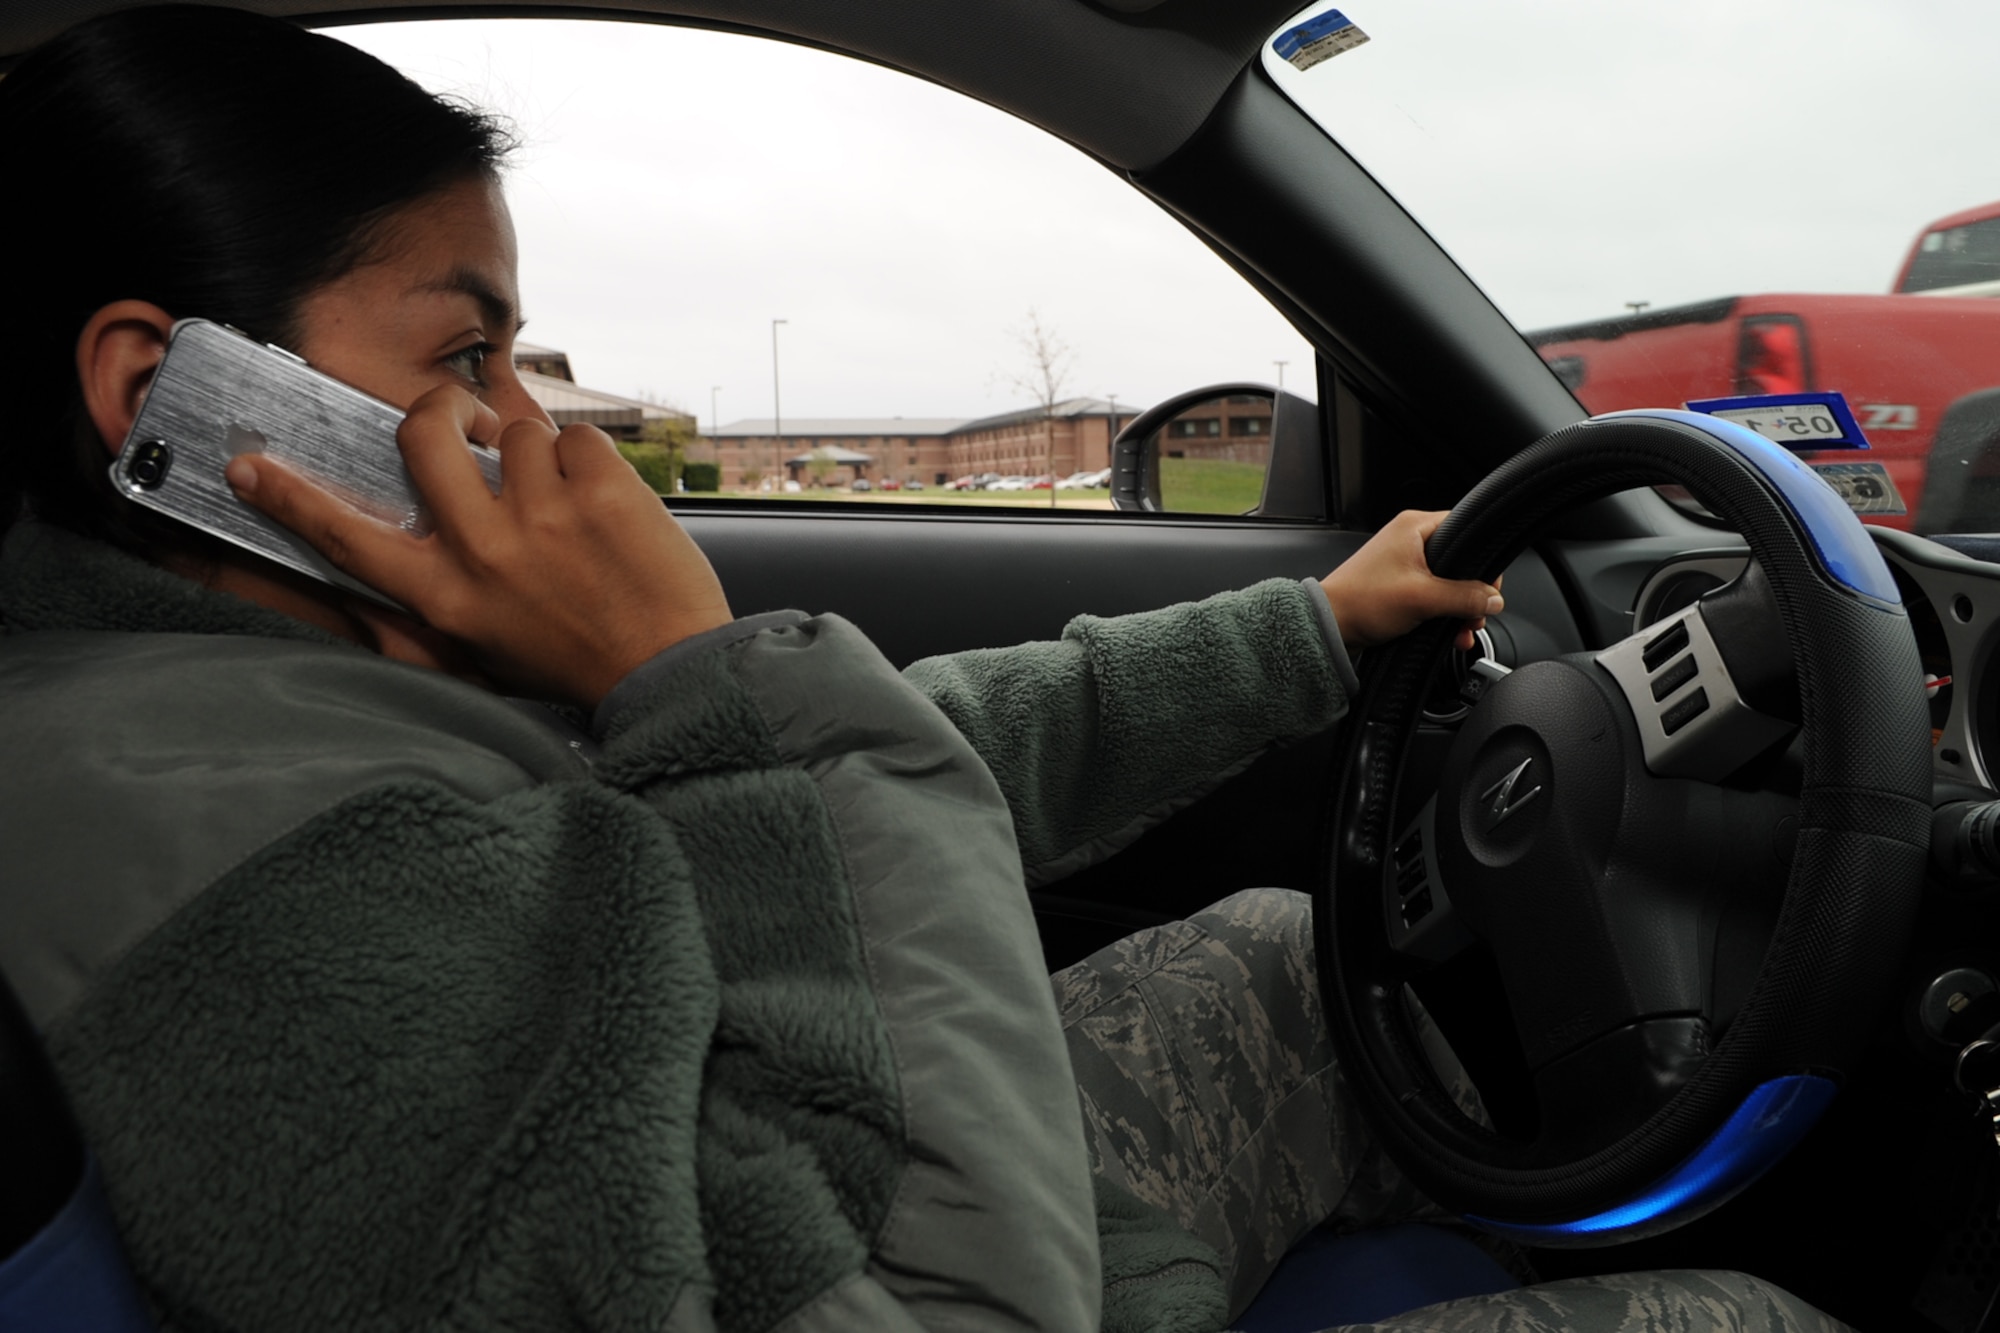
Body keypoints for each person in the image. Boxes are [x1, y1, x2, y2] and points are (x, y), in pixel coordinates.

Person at [0, 7, 1852, 1331]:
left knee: (1291, 957)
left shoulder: (298, 678)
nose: (534, 431)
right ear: (159, 390)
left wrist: (1309, 627)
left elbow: (886, 771)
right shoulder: (263, 878)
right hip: (915, 1259)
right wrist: (693, 669)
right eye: (463, 355)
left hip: (794, 1165)